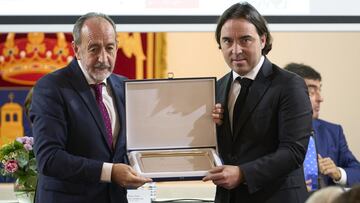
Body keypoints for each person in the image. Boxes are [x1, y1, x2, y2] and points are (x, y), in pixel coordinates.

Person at [30, 13, 152, 203]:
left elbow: (139, 143)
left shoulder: (125, 87)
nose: (103, 58)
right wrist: (110, 172)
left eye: (109, 48)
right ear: (77, 50)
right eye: (94, 49)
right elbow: (50, 159)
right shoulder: (51, 87)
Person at [202, 2, 312, 203]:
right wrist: (212, 128)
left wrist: (243, 174)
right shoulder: (217, 87)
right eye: (227, 41)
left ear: (262, 40)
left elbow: (293, 152)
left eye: (245, 40)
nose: (236, 50)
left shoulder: (289, 85)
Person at [284, 63, 360, 189]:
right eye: (311, 91)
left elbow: (357, 172)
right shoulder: (268, 131)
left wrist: (338, 173)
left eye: (319, 90)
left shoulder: (333, 132)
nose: (320, 98)